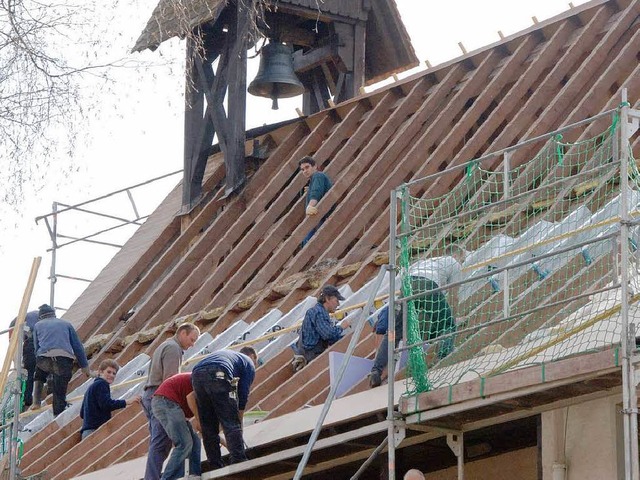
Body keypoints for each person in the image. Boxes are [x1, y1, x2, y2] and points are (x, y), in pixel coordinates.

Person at [370, 245, 465, 388]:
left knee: (395, 332)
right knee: (448, 324)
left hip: (408, 285)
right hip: (428, 284)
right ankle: (444, 358)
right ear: (457, 256)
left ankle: (376, 370)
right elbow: (454, 295)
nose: (462, 263)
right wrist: (454, 317)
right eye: (462, 260)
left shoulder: (426, 261)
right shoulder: (454, 263)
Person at [142, 323, 200, 480]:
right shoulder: (173, 349)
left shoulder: (166, 345)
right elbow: (169, 379)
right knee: (162, 443)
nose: (192, 344)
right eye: (192, 339)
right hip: (161, 395)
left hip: (152, 395)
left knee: (165, 442)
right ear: (182, 333)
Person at [191, 347, 258, 470]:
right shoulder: (249, 363)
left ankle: (215, 464)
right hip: (219, 372)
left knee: (208, 426)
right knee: (230, 421)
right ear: (253, 357)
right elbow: (242, 395)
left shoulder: (231, 357)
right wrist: (239, 422)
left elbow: (232, 392)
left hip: (197, 374)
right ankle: (238, 459)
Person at [32, 304, 91, 416]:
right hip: (63, 359)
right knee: (59, 389)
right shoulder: (66, 324)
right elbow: (77, 346)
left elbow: (36, 347)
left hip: (44, 358)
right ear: (54, 314)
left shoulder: (37, 325)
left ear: (41, 316)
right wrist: (85, 368)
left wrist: (39, 359)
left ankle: (36, 402)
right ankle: (58, 414)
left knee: (39, 375)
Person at [151, 372, 201, 480]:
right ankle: (168, 478)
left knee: (195, 440)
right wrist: (199, 420)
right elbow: (190, 398)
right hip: (166, 402)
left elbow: (205, 430)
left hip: (170, 404)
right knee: (184, 443)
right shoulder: (201, 383)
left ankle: (194, 474)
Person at [292, 285, 350, 370]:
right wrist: (341, 327)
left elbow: (329, 338)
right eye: (336, 300)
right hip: (310, 358)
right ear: (327, 299)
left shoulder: (319, 312)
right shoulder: (319, 312)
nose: (338, 304)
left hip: (309, 355)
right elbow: (328, 334)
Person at [80, 359, 141, 439]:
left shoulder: (92, 387)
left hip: (86, 432)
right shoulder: (101, 384)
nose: (111, 375)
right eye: (108, 372)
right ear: (100, 372)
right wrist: (127, 401)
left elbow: (82, 413)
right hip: (95, 432)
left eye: (114, 373)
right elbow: (106, 404)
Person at [9, 310, 40, 409]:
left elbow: (14, 346)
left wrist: (18, 365)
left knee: (30, 374)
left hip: (33, 346)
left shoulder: (21, 324)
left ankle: (27, 401)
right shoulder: (35, 316)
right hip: (44, 344)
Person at [299, 156, 333, 245]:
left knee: (308, 243)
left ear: (315, 166)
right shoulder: (314, 179)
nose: (305, 171)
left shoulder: (318, 175)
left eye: (307, 167)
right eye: (302, 169)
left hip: (323, 216)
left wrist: (310, 205)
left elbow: (316, 192)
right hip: (320, 217)